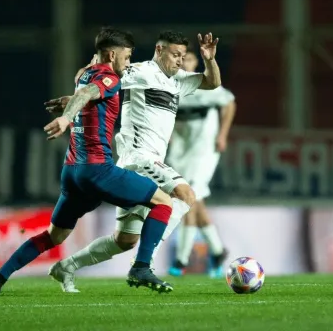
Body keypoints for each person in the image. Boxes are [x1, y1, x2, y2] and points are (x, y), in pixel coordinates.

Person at [0, 27, 175, 295]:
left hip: (72, 172)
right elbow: (85, 95)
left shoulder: (85, 74)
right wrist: (66, 117)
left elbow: (83, 90)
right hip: (98, 171)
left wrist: (69, 103)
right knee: (163, 202)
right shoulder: (108, 78)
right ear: (111, 54)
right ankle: (141, 266)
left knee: (53, 236)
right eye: (126, 57)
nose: (127, 63)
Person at [45, 31, 221, 292]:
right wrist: (78, 91)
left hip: (147, 162)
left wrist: (209, 59)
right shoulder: (138, 72)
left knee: (125, 240)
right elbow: (91, 79)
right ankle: (143, 265)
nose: (179, 61)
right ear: (159, 51)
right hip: (139, 158)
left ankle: (67, 266)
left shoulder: (178, 81)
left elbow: (212, 83)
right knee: (184, 194)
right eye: (175, 55)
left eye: (183, 56)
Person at [166, 51, 236, 278]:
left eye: (188, 60)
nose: (183, 63)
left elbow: (229, 103)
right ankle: (217, 251)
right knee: (195, 202)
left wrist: (223, 134)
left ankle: (181, 259)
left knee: (188, 199)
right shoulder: (170, 86)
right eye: (180, 59)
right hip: (179, 152)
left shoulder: (205, 85)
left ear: (195, 64)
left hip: (204, 151)